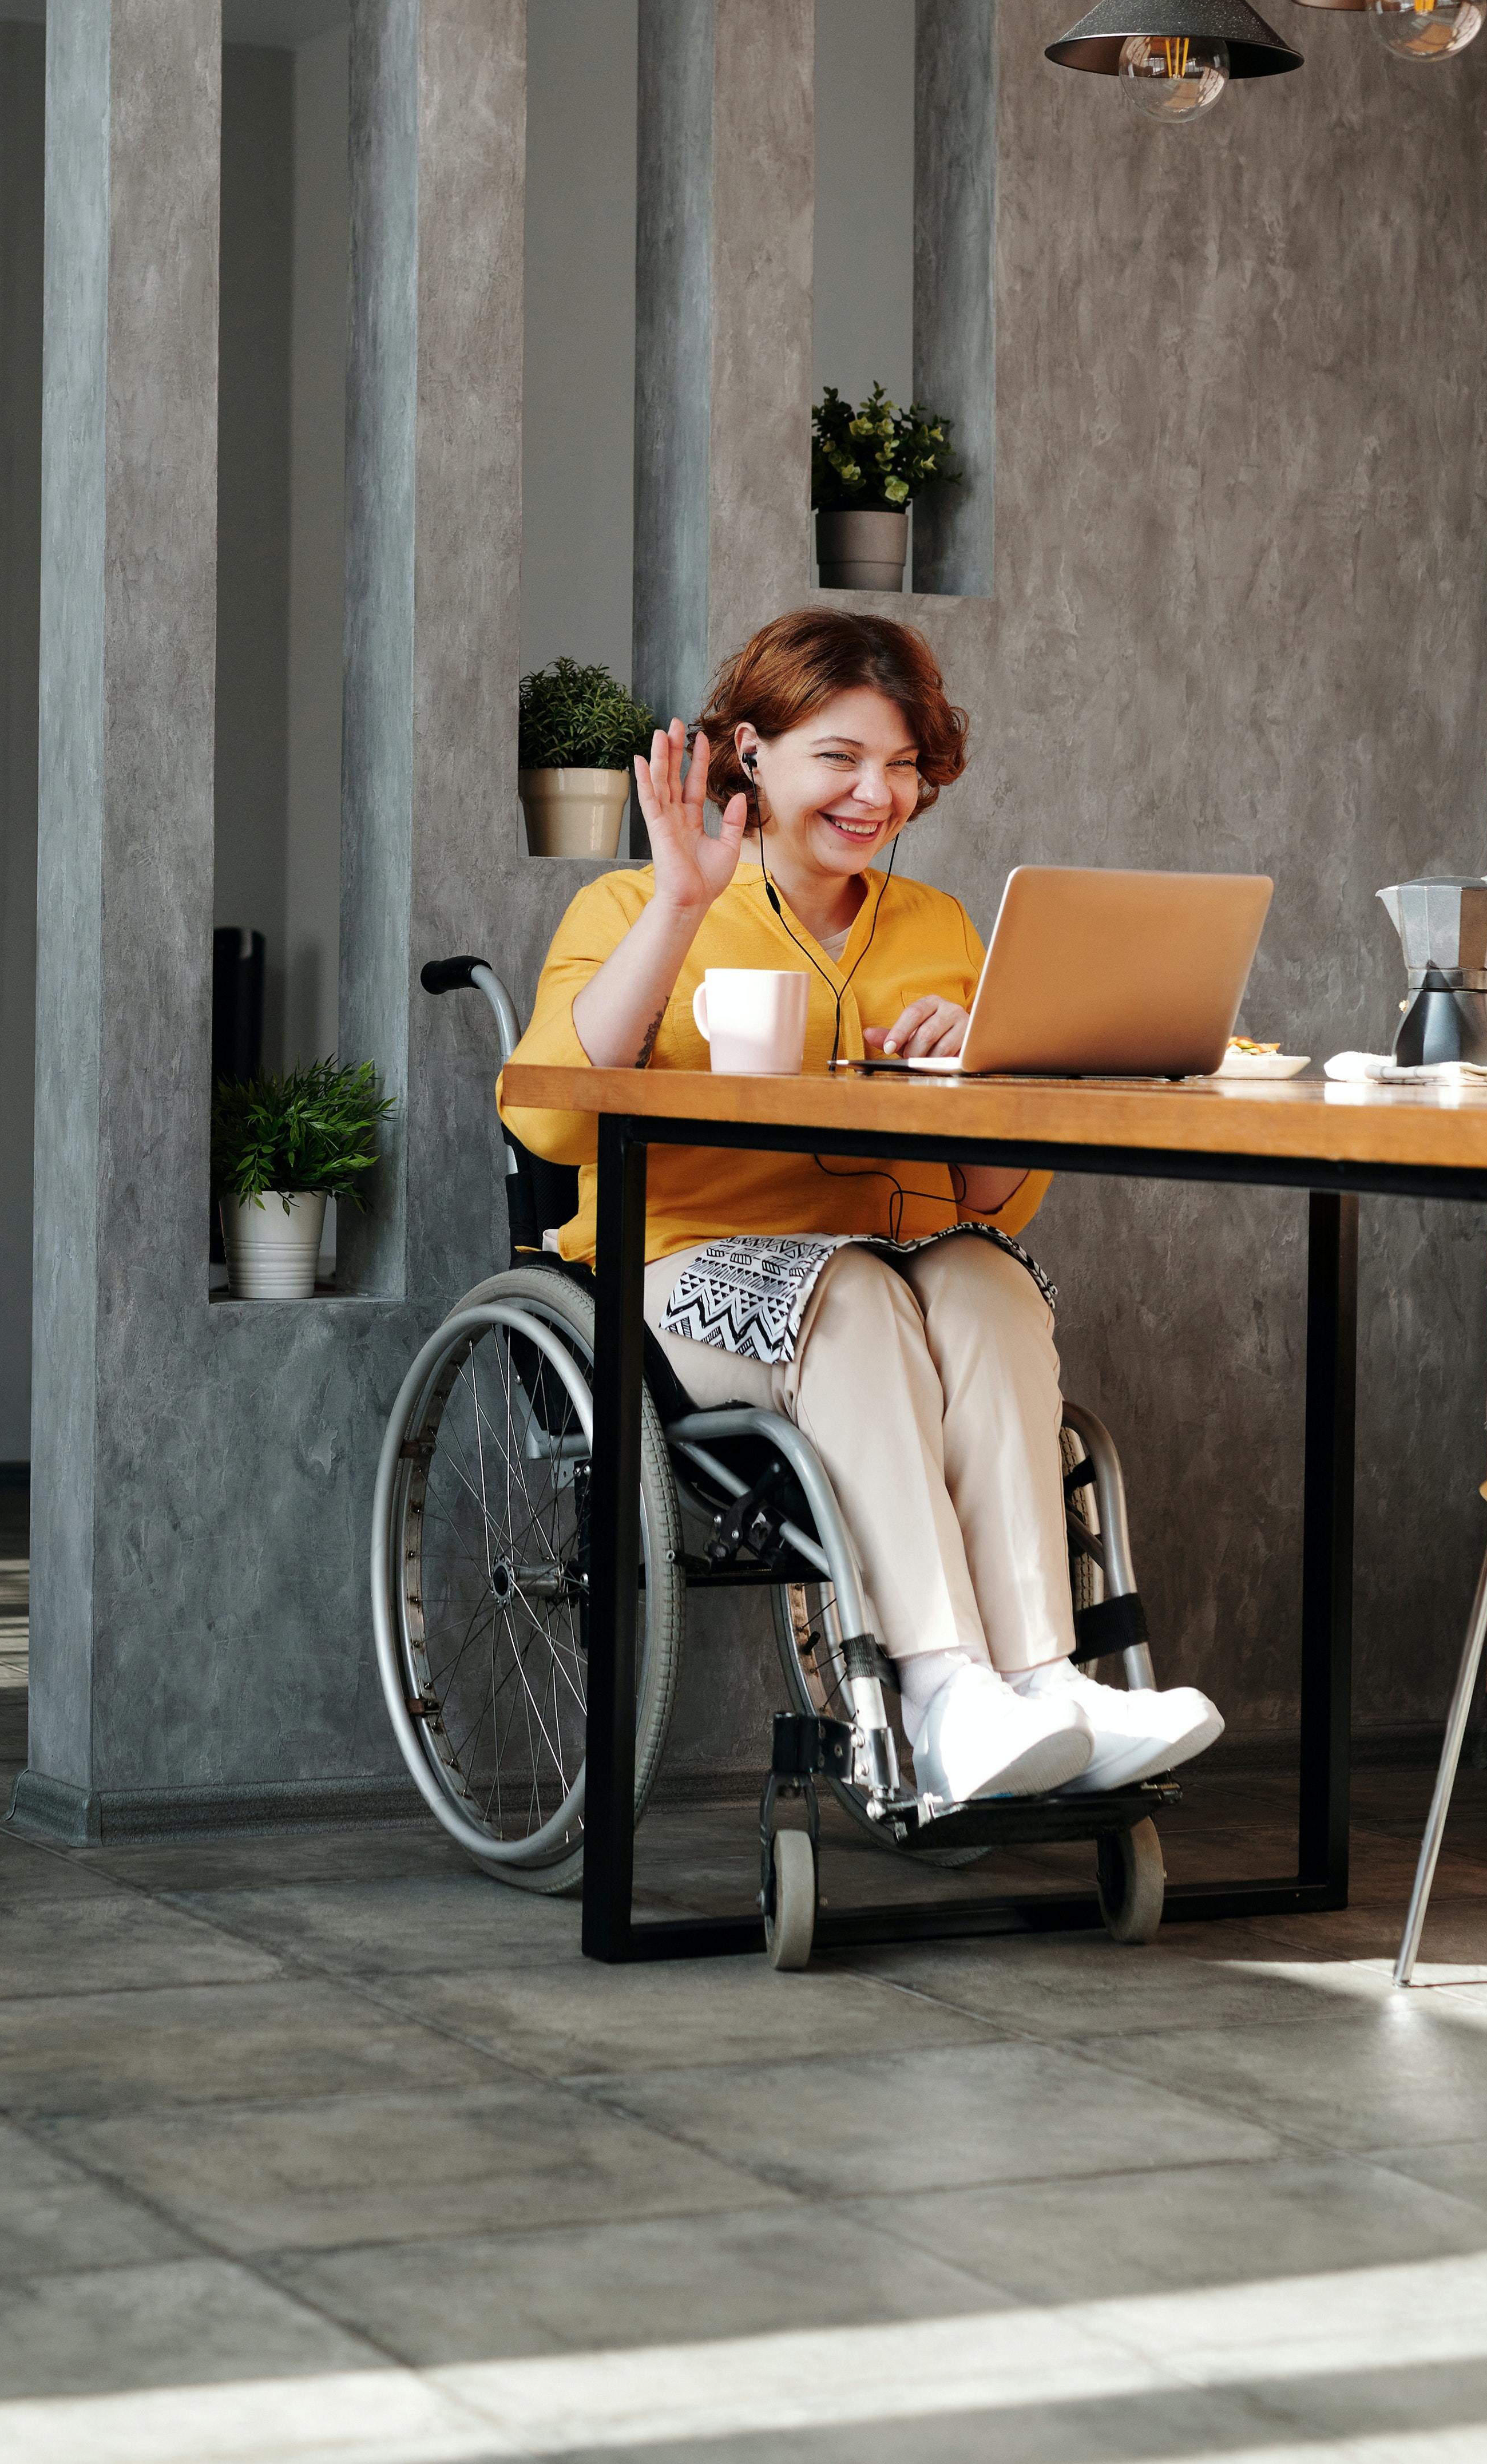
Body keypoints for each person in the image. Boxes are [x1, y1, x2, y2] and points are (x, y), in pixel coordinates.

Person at [501, 607, 1222, 1808]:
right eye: (838, 756)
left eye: (900, 765)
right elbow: (552, 1124)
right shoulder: (631, 908)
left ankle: (1042, 1684)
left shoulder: (938, 929)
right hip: (679, 1279)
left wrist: (981, 1073)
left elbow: (991, 1200)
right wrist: (680, 906)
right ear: (753, 753)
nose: (873, 792)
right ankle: (941, 1690)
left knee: (986, 1279)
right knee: (856, 1291)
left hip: (891, 1274)